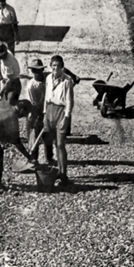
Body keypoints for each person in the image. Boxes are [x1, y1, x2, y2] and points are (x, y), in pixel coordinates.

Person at [43, 55, 75, 187]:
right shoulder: (48, 78)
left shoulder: (67, 81)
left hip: (61, 112)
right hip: (50, 110)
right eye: (53, 66)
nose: (55, 68)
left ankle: (63, 174)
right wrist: (45, 114)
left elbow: (69, 101)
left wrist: (66, 118)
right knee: (49, 142)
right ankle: (53, 171)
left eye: (58, 66)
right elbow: (46, 97)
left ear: (62, 67)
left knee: (60, 144)